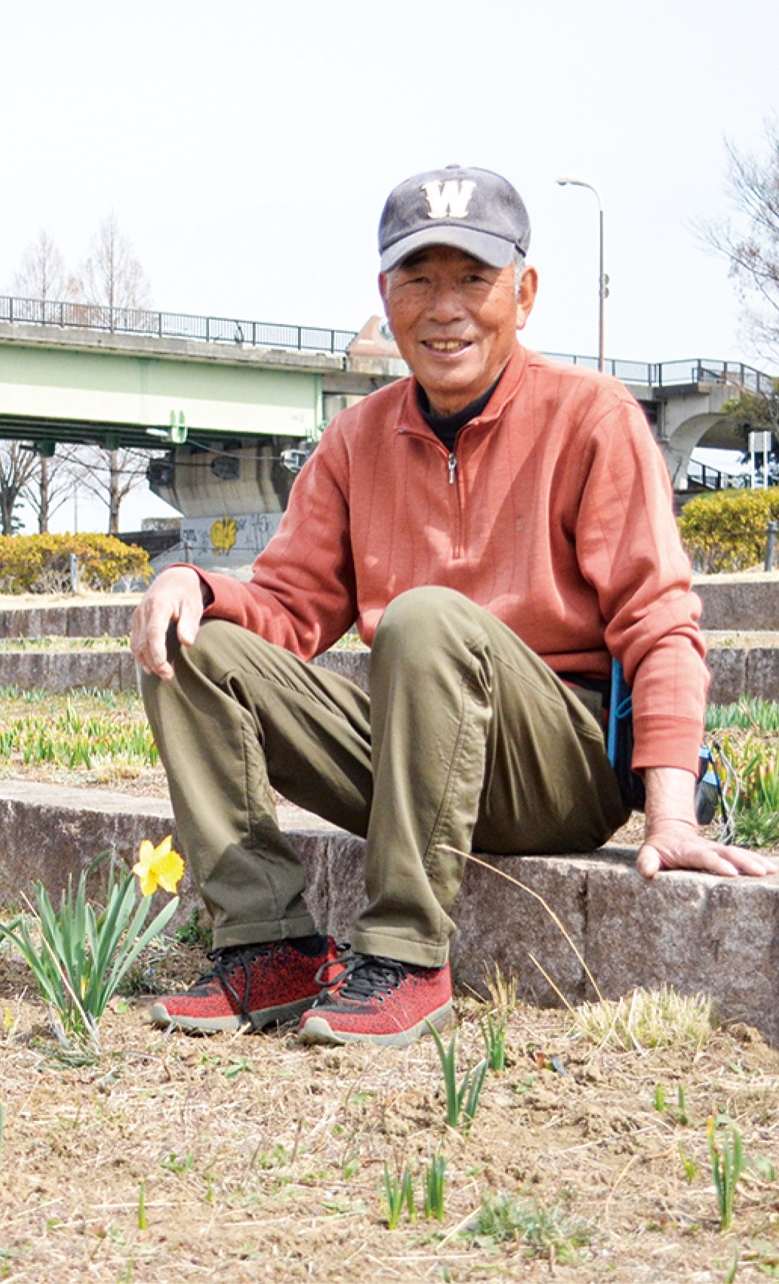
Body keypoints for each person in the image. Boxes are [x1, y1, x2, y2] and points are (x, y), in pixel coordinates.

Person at [130, 164, 778, 1048]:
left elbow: (657, 620)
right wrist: (196, 587)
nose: (446, 308)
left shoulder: (594, 417)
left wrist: (668, 815)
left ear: (525, 291)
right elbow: (288, 607)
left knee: (422, 617)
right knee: (194, 643)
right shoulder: (356, 439)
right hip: (413, 748)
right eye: (419, 279)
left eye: (474, 278)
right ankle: (269, 943)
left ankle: (405, 956)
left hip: (554, 761)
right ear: (385, 293)